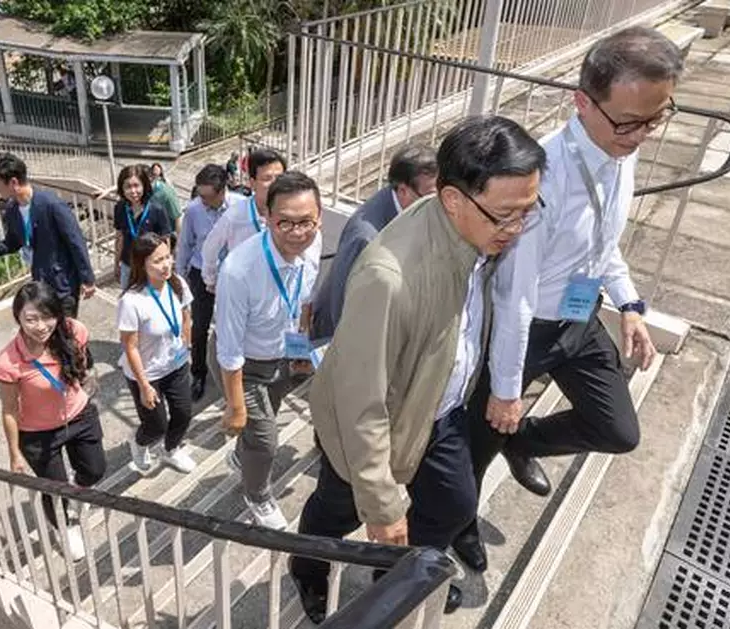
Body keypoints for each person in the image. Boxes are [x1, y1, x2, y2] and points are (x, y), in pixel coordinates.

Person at [289, 116, 547, 621]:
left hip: (438, 409)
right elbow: (360, 399)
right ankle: (309, 568)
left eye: (527, 212)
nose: (517, 229)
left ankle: (399, 578)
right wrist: (384, 505)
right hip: (367, 428)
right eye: (505, 216)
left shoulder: (472, 232)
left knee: (453, 505)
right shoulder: (390, 276)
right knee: (336, 514)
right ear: (454, 199)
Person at [455, 26, 675, 574]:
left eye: (657, 117)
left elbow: (602, 243)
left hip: (579, 318)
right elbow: (513, 296)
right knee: (478, 442)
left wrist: (628, 304)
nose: (641, 134)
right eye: (629, 122)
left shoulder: (620, 149)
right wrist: (507, 390)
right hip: (525, 330)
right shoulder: (538, 179)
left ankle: (524, 440)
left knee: (618, 431)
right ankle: (460, 524)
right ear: (582, 101)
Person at [214, 171, 323, 530]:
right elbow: (228, 349)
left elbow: (304, 301)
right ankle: (257, 495)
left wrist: (301, 347)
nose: (297, 232)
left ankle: (242, 458)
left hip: (281, 356)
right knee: (265, 442)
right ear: (267, 218)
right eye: (285, 223)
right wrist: (234, 407)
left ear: (319, 218)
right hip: (243, 366)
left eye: (305, 222)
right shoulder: (239, 270)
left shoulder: (313, 243)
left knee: (261, 430)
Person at [0, 280, 106, 561]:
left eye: (48, 316)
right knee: (55, 490)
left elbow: (81, 365)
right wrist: (14, 453)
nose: (41, 326)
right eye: (31, 319)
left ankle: (77, 492)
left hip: (79, 415)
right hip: (39, 433)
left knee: (94, 471)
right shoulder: (9, 361)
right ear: (18, 318)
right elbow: (9, 409)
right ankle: (64, 527)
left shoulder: (73, 331)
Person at [309, 144, 438, 342]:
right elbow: (342, 306)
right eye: (431, 196)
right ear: (403, 191)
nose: (438, 204)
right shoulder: (366, 237)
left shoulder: (404, 206)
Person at [0, 152, 96, 317]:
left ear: (13, 182)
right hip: (40, 282)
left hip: (63, 282)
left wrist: (87, 279)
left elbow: (75, 241)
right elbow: (13, 241)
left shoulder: (51, 204)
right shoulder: (12, 209)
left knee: (65, 332)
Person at [118, 232, 197, 475]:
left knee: (183, 414)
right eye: (157, 260)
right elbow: (130, 346)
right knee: (156, 426)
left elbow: (186, 315)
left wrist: (188, 347)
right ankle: (139, 442)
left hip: (177, 364)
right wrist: (144, 385)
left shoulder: (177, 283)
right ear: (142, 264)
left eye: (168, 257)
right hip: (147, 372)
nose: (166, 265)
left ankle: (170, 450)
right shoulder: (131, 301)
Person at [200, 148, 322, 292]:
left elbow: (310, 261)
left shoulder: (297, 218)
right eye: (267, 178)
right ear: (252, 182)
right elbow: (210, 247)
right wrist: (212, 280)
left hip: (283, 292)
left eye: (279, 177)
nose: (274, 184)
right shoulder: (236, 215)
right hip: (247, 292)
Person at [174, 164, 244, 402]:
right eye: (200, 195)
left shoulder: (241, 206)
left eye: (207, 197)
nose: (202, 201)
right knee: (200, 326)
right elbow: (185, 244)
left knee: (234, 323)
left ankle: (235, 369)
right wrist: (179, 276)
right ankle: (199, 374)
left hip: (233, 275)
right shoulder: (194, 210)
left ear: (223, 190)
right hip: (201, 272)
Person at [113, 164, 172, 289]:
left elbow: (165, 241)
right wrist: (116, 263)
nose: (133, 191)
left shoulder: (157, 209)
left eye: (136, 186)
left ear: (144, 185)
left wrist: (166, 265)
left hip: (151, 268)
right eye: (128, 187)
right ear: (122, 189)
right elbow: (120, 237)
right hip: (128, 265)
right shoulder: (120, 208)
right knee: (128, 301)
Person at [149, 162, 183, 231]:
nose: (156, 172)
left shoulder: (165, 187)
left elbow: (177, 216)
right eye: (154, 170)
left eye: (157, 169)